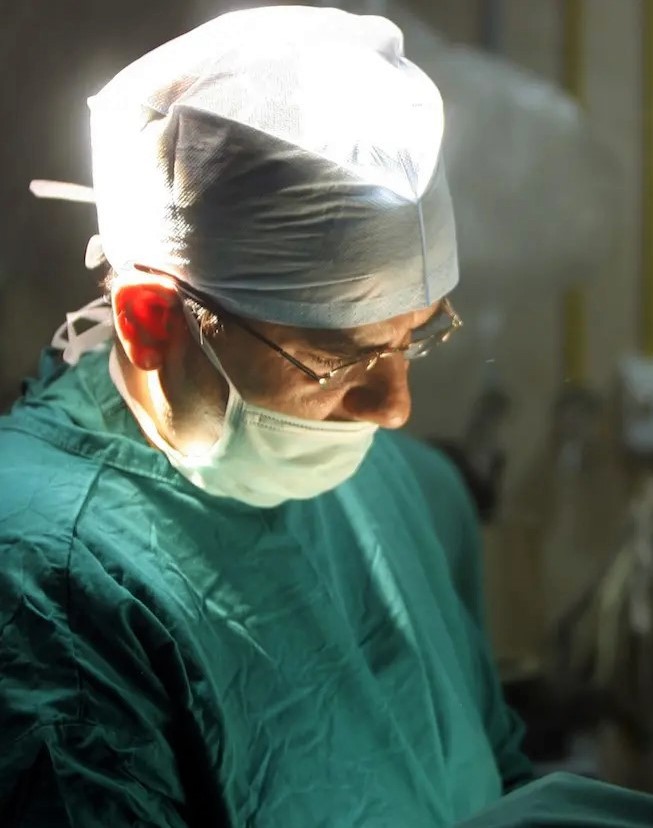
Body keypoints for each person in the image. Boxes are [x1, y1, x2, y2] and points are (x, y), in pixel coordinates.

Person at [0, 7, 533, 826]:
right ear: (149, 322)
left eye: (413, 339)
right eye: (335, 358)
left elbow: (491, 772)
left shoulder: (374, 477)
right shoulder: (47, 579)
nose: (394, 411)